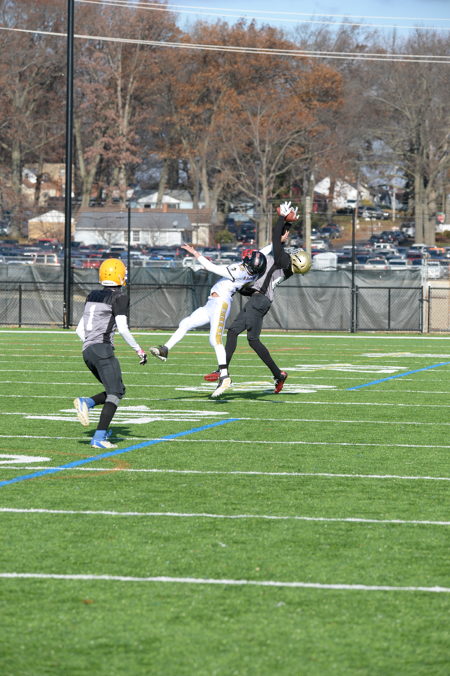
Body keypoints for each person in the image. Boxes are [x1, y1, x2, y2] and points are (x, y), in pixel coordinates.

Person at [204, 201, 311, 393]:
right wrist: (288, 223)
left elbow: (277, 241)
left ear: (296, 261)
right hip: (260, 300)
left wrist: (281, 218)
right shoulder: (285, 264)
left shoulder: (284, 262)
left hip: (259, 300)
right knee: (249, 339)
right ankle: (278, 375)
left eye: (297, 254)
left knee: (237, 333)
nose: (294, 251)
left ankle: (223, 371)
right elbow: (280, 240)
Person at [149, 244, 267, 398]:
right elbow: (261, 254)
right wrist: (275, 242)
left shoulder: (238, 271)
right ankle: (165, 349)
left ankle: (224, 376)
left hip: (221, 303)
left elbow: (211, 267)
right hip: (212, 303)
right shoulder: (253, 271)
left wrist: (195, 253)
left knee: (215, 339)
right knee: (186, 323)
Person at [74, 258, 147, 449]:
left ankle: (88, 403)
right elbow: (123, 328)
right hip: (102, 349)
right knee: (115, 393)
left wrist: (92, 346)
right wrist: (139, 350)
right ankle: (98, 436)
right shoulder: (119, 297)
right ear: (120, 275)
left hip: (87, 351)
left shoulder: (92, 295)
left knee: (117, 389)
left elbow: (80, 330)